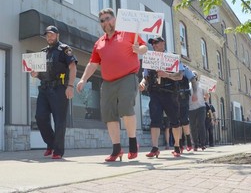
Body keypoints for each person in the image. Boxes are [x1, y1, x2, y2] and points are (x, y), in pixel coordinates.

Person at [76, 8, 147, 162]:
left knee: (126, 108)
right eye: (102, 21)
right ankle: (116, 149)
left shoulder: (127, 33)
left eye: (108, 18)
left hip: (127, 77)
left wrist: (138, 49)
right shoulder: (99, 43)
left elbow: (144, 47)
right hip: (108, 82)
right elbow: (93, 63)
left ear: (115, 19)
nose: (106, 22)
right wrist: (83, 79)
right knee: (109, 115)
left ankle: (133, 143)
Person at [139, 36, 197, 157]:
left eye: (156, 43)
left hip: (170, 93)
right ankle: (155, 147)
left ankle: (177, 146)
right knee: (154, 120)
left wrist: (167, 75)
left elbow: (180, 76)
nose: (154, 45)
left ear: (163, 43)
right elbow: (146, 76)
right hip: (155, 92)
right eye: (152, 43)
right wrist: (143, 83)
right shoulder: (150, 58)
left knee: (175, 121)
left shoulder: (172, 58)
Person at [31, 25, 77, 159]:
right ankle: (51, 144)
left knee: (59, 121)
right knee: (40, 117)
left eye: (51, 34)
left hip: (59, 89)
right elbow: (38, 73)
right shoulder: (42, 52)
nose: (49, 37)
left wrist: (70, 86)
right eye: (47, 35)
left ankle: (58, 151)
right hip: (44, 89)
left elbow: (73, 67)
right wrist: (34, 74)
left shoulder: (64, 50)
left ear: (57, 35)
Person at [178, 65, 196, 152]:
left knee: (184, 120)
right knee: (176, 122)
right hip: (172, 97)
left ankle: (188, 140)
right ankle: (179, 144)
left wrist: (195, 93)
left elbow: (193, 79)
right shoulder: (167, 67)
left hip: (183, 97)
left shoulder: (185, 68)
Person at [189, 71, 208, 151]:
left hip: (201, 107)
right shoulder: (188, 85)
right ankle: (195, 144)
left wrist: (207, 95)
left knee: (201, 125)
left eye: (195, 75)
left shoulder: (201, 84)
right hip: (191, 108)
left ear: (197, 77)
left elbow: (206, 96)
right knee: (193, 127)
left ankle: (203, 144)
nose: (193, 77)